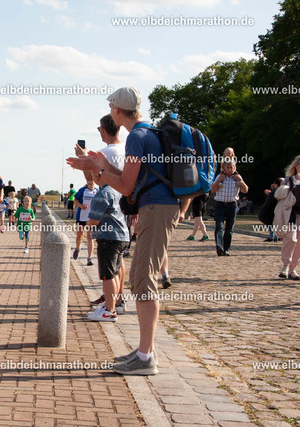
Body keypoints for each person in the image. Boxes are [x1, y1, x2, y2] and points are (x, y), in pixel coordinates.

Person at [67, 86, 190, 376]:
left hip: (156, 209)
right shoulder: (146, 133)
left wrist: (97, 170)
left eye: (111, 107)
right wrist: (102, 165)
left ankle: (146, 357)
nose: (110, 112)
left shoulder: (136, 136)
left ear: (117, 110)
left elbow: (125, 187)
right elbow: (128, 179)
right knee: (140, 278)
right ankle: (144, 351)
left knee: (144, 281)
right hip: (156, 207)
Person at [86, 152, 129, 322]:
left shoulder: (102, 194)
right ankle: (112, 305)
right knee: (115, 273)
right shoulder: (116, 191)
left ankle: (109, 310)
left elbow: (94, 220)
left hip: (108, 238)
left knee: (107, 275)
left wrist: (87, 225)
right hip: (121, 236)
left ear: (98, 176)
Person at [280, 155, 300, 280]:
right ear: (296, 165)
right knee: (290, 239)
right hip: (291, 214)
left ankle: (293, 269)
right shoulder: (288, 180)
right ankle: (285, 266)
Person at [211, 160, 249, 256]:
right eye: (228, 167)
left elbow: (245, 190)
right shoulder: (220, 177)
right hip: (220, 204)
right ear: (223, 168)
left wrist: (240, 181)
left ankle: (225, 249)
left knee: (229, 228)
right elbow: (213, 190)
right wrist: (219, 180)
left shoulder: (237, 177)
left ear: (235, 168)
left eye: (232, 167)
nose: (230, 169)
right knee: (219, 227)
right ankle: (219, 247)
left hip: (232, 205)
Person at [73, 179, 98, 266]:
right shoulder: (82, 190)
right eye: (88, 180)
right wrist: (81, 206)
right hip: (82, 217)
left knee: (90, 237)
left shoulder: (97, 191)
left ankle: (89, 258)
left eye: (92, 180)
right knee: (79, 235)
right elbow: (75, 200)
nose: (90, 182)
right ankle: (77, 248)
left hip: (91, 217)